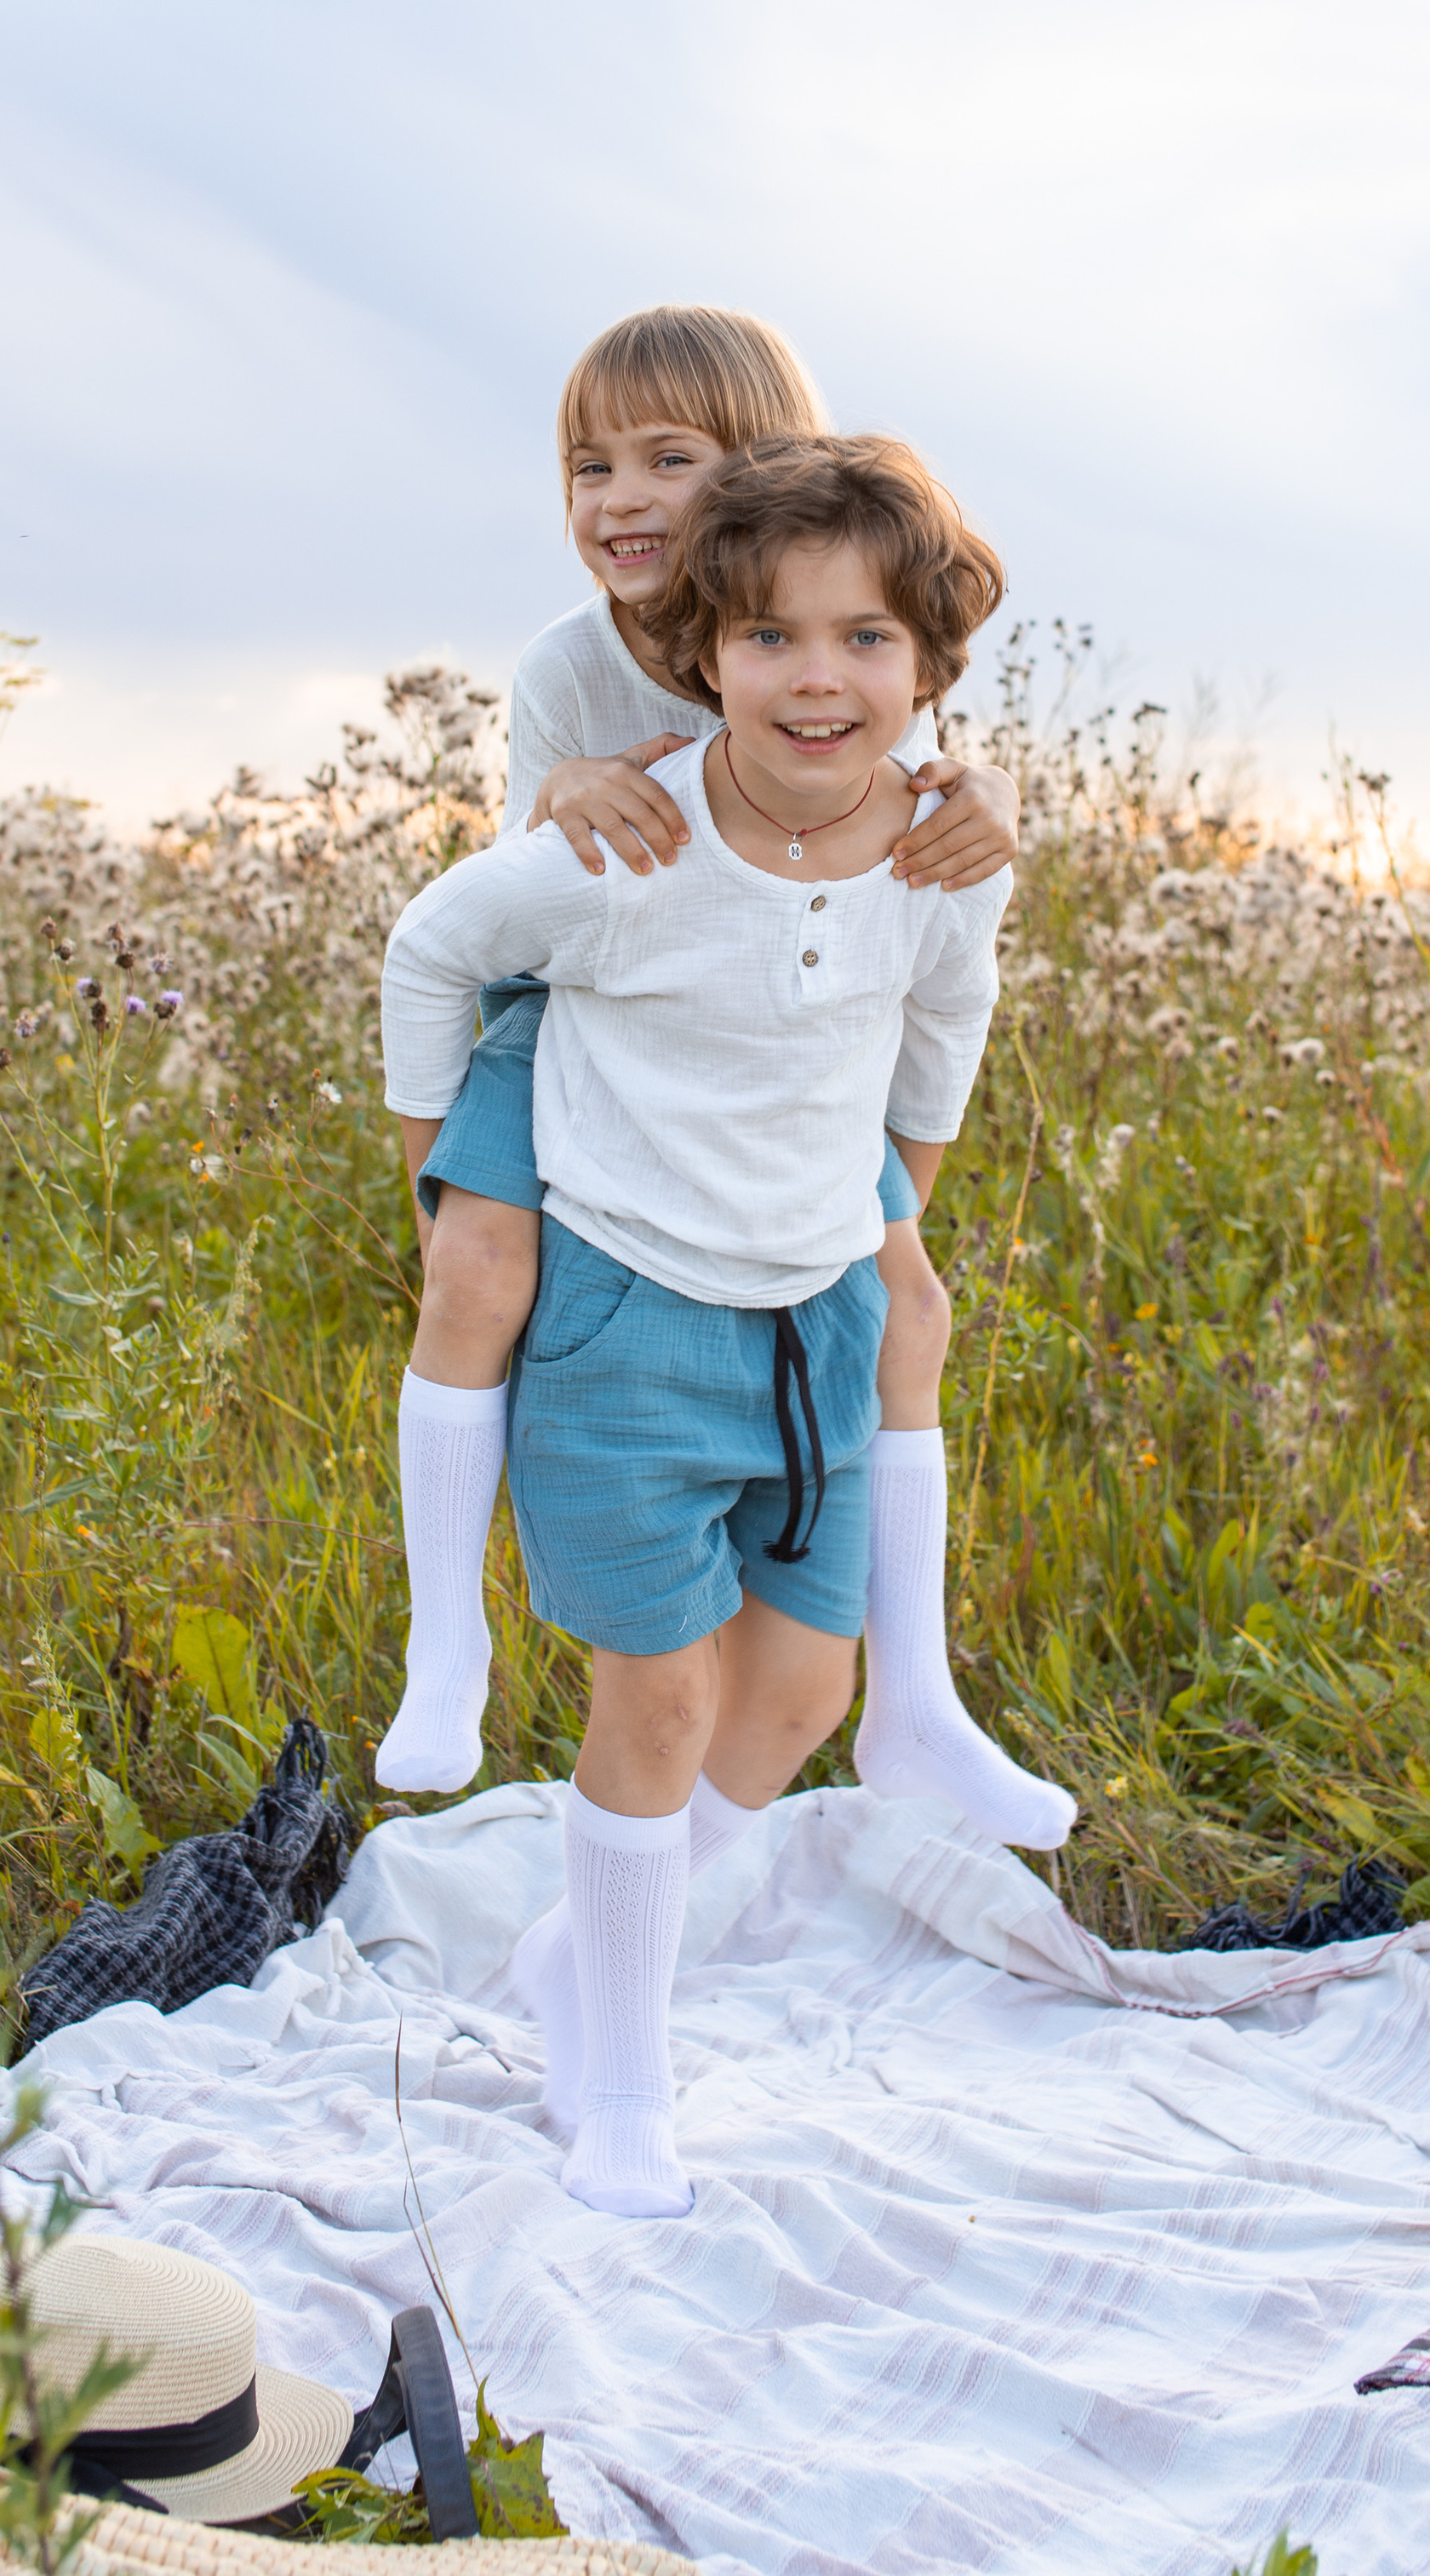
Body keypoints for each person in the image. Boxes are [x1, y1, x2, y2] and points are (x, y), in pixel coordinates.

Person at [380, 432, 1076, 2218]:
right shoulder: (625, 839)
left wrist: (888, 1198)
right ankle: (616, 2073)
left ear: (926, 672)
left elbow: (947, 1016)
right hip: (628, 1305)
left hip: (813, 1303)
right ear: (706, 658)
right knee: (666, 1707)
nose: (816, 677)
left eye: (861, 642)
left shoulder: (943, 846)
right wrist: (438, 1164)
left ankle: (574, 1948)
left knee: (793, 1703)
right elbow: (434, 945)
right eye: (770, 640)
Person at [376, 305, 1022, 1798]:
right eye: (587, 466)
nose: (621, 498)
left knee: (906, 1292)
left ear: (766, 474)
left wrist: (972, 784)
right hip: (589, 994)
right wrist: (577, 795)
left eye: (671, 458)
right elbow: (516, 904)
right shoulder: (567, 666)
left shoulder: (817, 607)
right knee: (476, 1270)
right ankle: (443, 1644)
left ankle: (911, 1692)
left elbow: (892, 738)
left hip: (788, 1025)